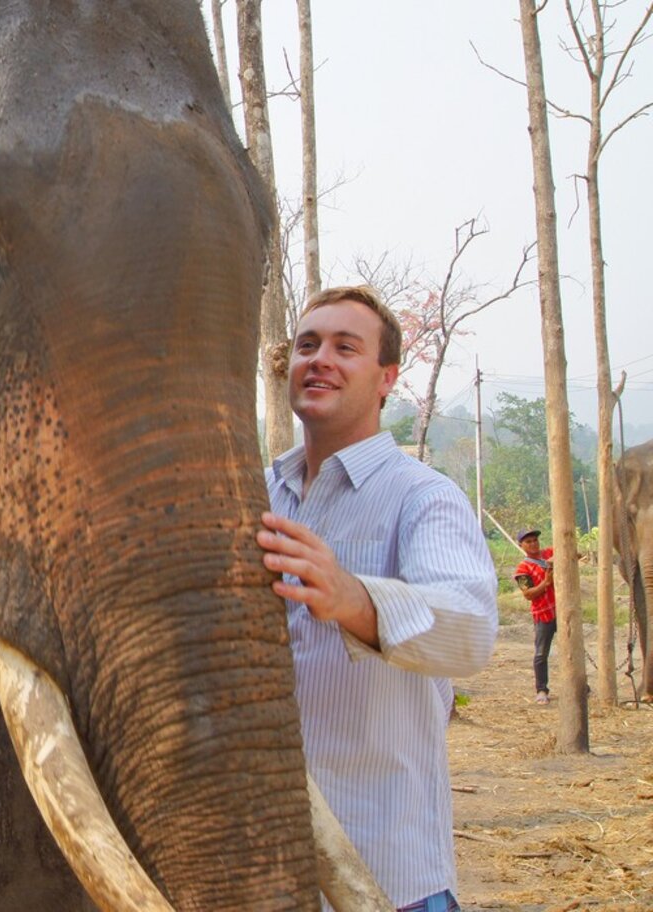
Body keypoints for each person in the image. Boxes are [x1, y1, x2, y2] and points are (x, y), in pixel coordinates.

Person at [258, 285, 498, 912]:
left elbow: (469, 630)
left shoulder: (422, 497)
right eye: (308, 345)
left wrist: (354, 599)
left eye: (346, 347)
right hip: (261, 865)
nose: (321, 360)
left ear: (387, 376)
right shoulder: (259, 493)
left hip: (387, 870)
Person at [512, 529, 556, 704]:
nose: (533, 544)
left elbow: (574, 554)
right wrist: (546, 583)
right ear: (521, 545)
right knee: (541, 653)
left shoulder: (550, 553)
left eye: (535, 540)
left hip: (563, 609)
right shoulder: (523, 569)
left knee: (573, 649)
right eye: (528, 541)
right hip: (543, 613)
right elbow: (528, 594)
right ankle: (541, 689)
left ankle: (583, 686)